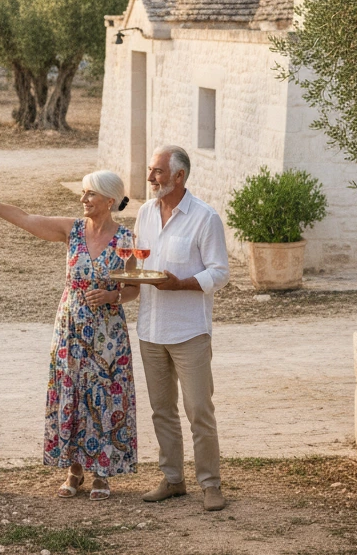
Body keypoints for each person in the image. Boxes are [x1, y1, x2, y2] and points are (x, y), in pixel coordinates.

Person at [0, 170, 138, 500]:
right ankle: (74, 469)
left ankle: (102, 471)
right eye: (83, 193)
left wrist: (113, 296)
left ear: (109, 201)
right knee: (70, 391)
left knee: (104, 394)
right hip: (70, 323)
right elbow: (26, 219)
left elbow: (133, 290)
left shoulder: (126, 239)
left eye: (90, 195)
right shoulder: (73, 229)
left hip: (107, 331)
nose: (83, 199)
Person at [128, 145, 230, 511]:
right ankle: (173, 479)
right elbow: (139, 264)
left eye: (156, 171)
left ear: (179, 176)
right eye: (152, 170)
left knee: (199, 408)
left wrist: (181, 284)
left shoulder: (205, 218)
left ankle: (211, 485)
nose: (151, 176)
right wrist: (120, 277)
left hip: (189, 332)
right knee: (162, 410)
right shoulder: (144, 212)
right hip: (150, 330)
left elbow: (220, 273)